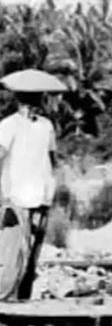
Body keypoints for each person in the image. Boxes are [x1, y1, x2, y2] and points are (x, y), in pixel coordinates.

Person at [0, 70, 66, 301]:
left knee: (32, 256)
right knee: (14, 255)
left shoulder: (46, 126)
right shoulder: (8, 126)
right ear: (19, 99)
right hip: (15, 198)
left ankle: (22, 302)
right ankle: (4, 304)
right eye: (29, 98)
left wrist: (53, 185)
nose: (34, 103)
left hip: (41, 195)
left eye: (37, 98)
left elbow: (51, 157)